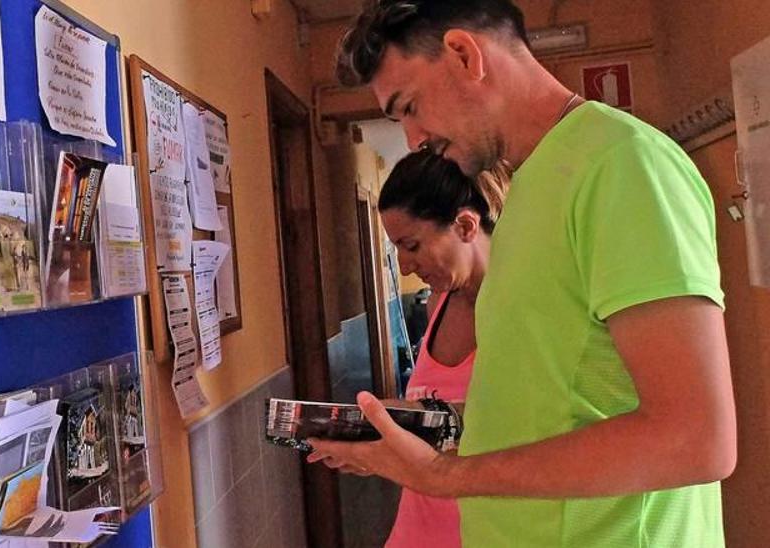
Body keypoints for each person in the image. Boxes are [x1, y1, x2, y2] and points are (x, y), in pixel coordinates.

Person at [308, 1, 735, 546]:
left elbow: (695, 440)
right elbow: (548, 407)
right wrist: (408, 440)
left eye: (411, 106)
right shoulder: (530, 188)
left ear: (464, 54)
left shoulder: (622, 164)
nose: (414, 139)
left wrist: (443, 478)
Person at [377, 150, 503, 548]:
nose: (403, 266)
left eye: (411, 245)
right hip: (415, 534)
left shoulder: (523, 309)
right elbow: (444, 412)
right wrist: (378, 430)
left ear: (466, 225)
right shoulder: (438, 305)